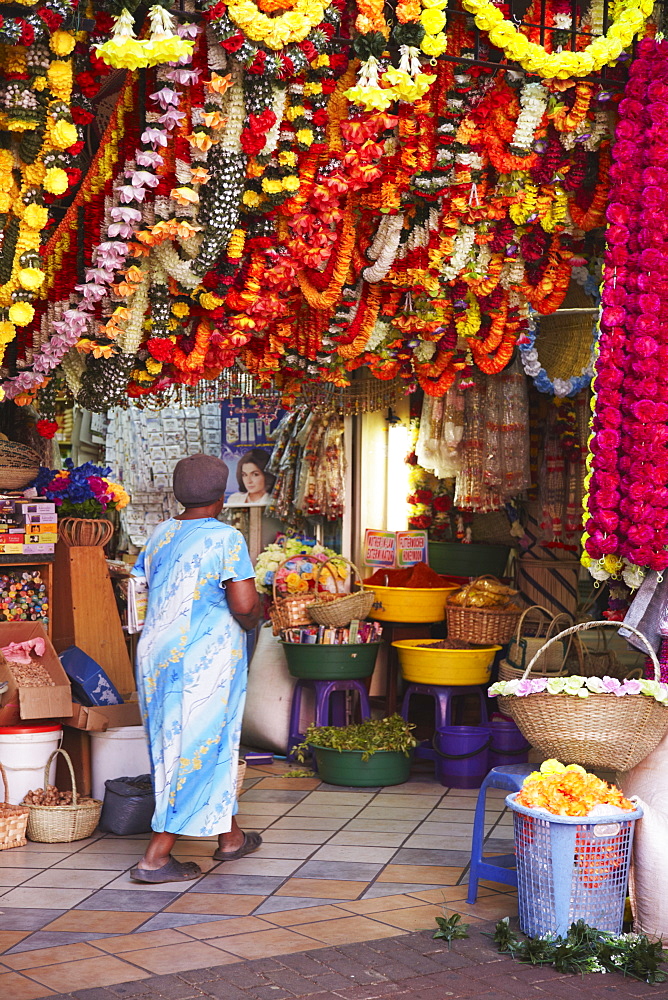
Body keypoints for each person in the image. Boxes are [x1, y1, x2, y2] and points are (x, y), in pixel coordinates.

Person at [129, 453, 263, 884]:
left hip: (156, 653)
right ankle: (156, 855)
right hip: (203, 658)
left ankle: (230, 838)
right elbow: (243, 604)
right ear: (222, 497)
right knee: (197, 746)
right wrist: (256, 616)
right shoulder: (226, 538)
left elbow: (141, 589)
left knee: (185, 744)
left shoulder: (161, 533)